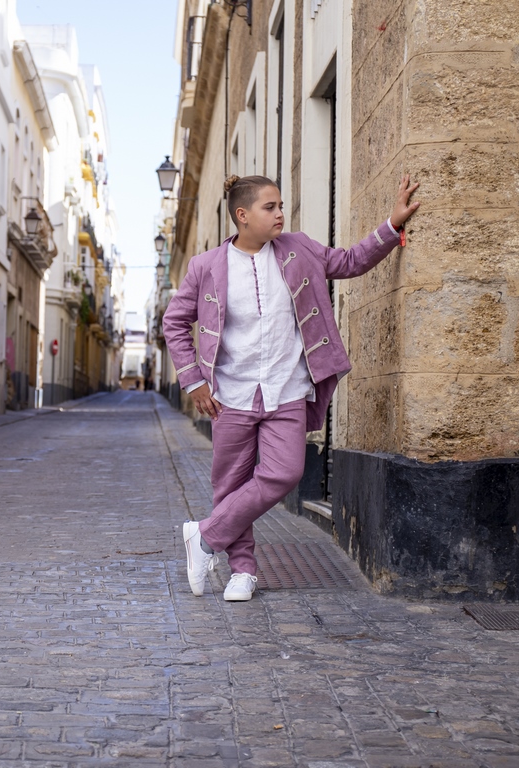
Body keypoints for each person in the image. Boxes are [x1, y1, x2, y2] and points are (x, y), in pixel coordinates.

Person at [162, 173, 420, 601]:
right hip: (230, 395)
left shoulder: (299, 249)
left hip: (286, 389)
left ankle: (204, 537)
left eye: (281, 205)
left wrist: (391, 226)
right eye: (270, 207)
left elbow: (349, 262)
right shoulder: (206, 266)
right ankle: (242, 572)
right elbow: (174, 322)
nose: (281, 213)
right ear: (242, 215)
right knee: (230, 486)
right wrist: (193, 381)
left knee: (285, 472)